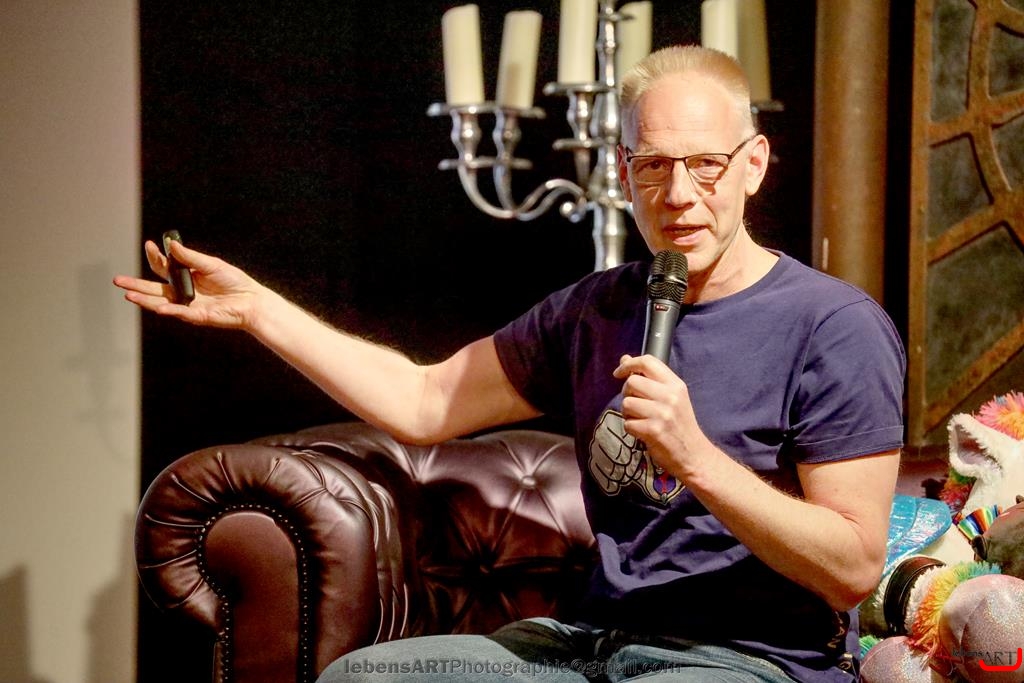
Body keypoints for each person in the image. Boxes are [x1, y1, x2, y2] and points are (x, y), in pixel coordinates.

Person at [115, 45, 905, 682]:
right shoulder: (594, 308)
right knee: (364, 676)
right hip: (591, 644)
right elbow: (426, 400)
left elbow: (851, 565)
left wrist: (695, 456)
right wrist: (258, 310)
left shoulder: (833, 326)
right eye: (655, 165)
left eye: (706, 163)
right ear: (624, 171)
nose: (679, 194)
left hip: (749, 658)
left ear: (753, 164)